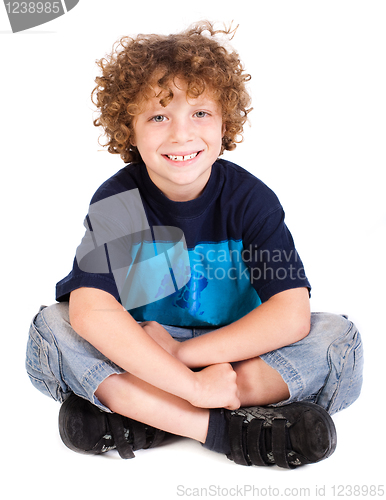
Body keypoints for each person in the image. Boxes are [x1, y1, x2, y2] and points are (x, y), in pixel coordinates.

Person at [25, 21, 363, 469]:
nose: (181, 135)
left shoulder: (250, 199)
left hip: (235, 352)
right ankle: (220, 427)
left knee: (337, 340)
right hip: (144, 348)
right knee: (52, 329)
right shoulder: (118, 201)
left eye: (200, 113)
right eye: (159, 116)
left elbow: (290, 312)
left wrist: (185, 356)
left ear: (226, 122)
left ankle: (142, 412)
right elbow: (91, 311)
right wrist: (195, 387)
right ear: (130, 129)